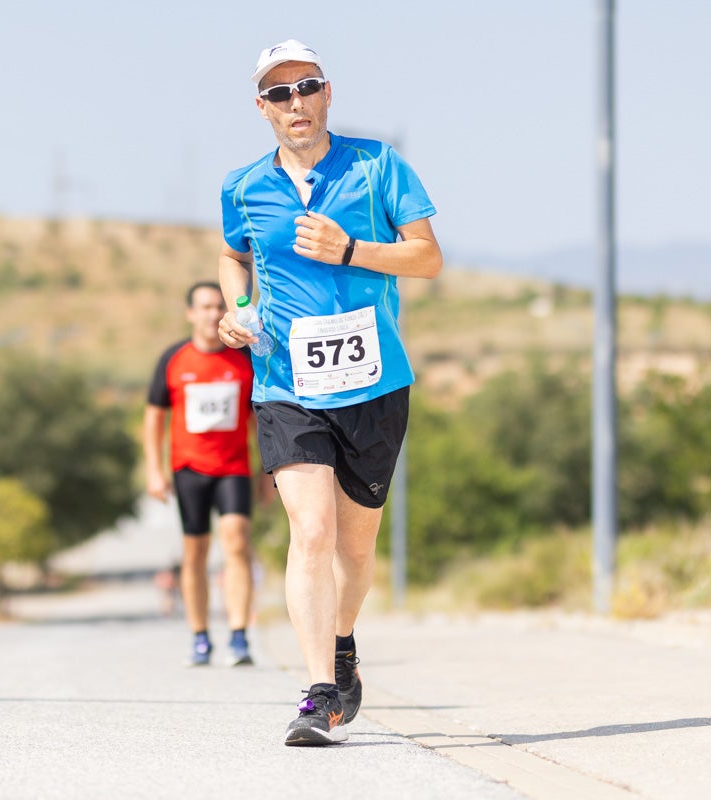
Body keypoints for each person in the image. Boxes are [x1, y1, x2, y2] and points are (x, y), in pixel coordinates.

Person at [217, 39, 443, 746]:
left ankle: (343, 641)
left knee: (353, 546)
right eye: (279, 94)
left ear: (327, 93)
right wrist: (239, 307)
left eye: (305, 87)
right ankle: (317, 690)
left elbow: (428, 258)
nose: (295, 104)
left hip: (374, 383)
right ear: (262, 109)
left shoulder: (378, 166)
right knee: (309, 532)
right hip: (286, 381)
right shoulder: (243, 186)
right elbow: (232, 251)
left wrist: (349, 249)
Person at [144, 281, 257, 667]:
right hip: (189, 469)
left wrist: (267, 470)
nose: (212, 314)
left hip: (234, 467)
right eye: (204, 307)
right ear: (191, 313)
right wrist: (154, 470)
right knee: (195, 553)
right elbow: (154, 417)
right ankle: (200, 636)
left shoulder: (243, 358)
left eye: (217, 307)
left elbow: (259, 419)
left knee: (238, 542)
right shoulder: (173, 359)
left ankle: (239, 636)